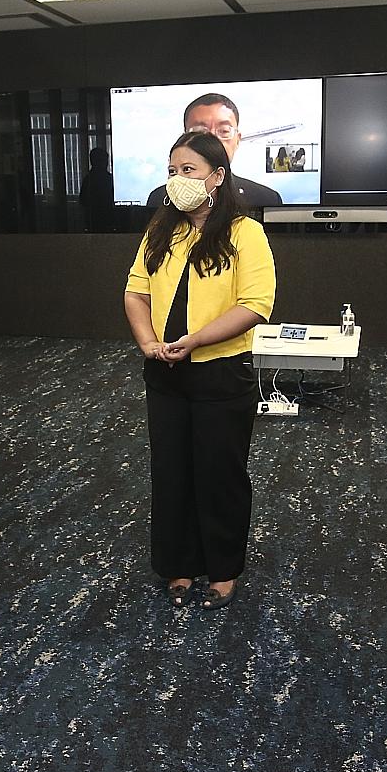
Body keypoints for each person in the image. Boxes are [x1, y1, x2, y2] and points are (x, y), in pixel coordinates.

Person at [123, 130, 275, 610]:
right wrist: (148, 342)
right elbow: (136, 291)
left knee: (219, 473)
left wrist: (195, 341)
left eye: (189, 170)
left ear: (218, 177)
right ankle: (179, 563)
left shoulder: (245, 232)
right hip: (164, 373)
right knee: (171, 471)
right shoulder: (160, 229)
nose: (178, 179)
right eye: (172, 171)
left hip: (220, 372)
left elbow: (255, 305)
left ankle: (223, 569)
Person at [143, 93, 283, 213]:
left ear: (237, 140)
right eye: (199, 132)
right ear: (185, 139)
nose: (212, 140)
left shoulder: (265, 198)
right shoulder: (159, 199)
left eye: (224, 131)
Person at [80, 147, 114, 232]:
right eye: (104, 161)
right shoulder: (109, 179)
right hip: (105, 220)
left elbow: (82, 200)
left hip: (93, 220)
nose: (106, 163)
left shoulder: (88, 179)